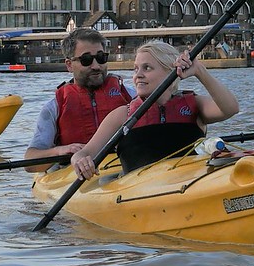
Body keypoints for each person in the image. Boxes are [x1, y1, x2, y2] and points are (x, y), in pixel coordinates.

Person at [71, 40, 239, 179]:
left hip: (188, 184)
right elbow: (84, 153)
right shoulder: (122, 115)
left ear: (169, 71)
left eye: (147, 68)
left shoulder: (194, 105)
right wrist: (80, 161)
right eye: (136, 69)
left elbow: (230, 109)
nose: (138, 75)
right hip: (139, 192)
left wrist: (200, 71)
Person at [25, 28, 132, 170]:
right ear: (69, 65)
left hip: (122, 168)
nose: (96, 66)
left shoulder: (130, 95)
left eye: (101, 58)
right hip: (72, 173)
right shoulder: (54, 107)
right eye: (86, 60)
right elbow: (30, 161)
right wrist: (61, 150)